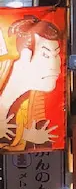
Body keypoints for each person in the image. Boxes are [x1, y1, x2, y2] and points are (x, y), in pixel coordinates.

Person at [0, 15, 63, 151]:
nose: (55, 65)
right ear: (25, 55)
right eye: (46, 55)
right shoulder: (2, 71)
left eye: (56, 55)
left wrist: (28, 136)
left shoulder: (36, 97)